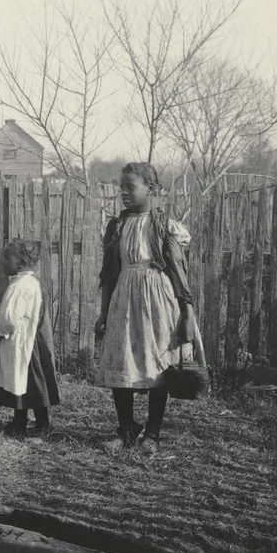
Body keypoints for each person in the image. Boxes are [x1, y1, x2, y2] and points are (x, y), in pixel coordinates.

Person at [94, 162, 195, 455]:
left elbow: (178, 272)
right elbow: (109, 274)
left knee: (157, 364)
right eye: (121, 187)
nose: (123, 192)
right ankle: (126, 429)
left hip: (158, 301)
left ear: (150, 189)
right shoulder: (117, 226)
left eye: (130, 187)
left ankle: (152, 434)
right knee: (121, 357)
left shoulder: (165, 227)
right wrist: (103, 313)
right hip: (124, 300)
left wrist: (186, 313)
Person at [0, 239, 60, 438]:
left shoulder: (19, 286)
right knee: (26, 383)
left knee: (25, 382)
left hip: (22, 342)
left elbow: (10, 318)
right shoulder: (32, 282)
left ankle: (34, 424)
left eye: (7, 258)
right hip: (31, 341)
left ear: (20, 263)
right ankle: (25, 420)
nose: (2, 262)